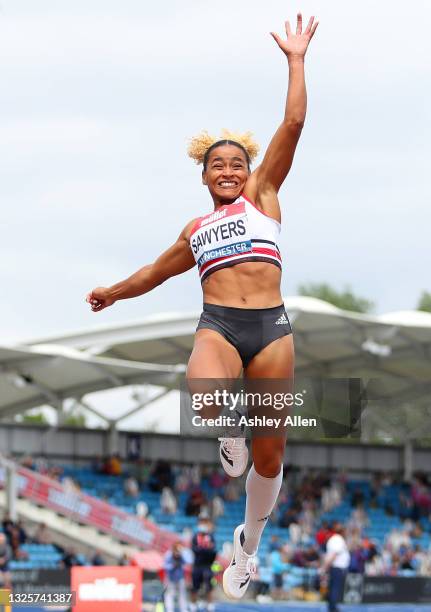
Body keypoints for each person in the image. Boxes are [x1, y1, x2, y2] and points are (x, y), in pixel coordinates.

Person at [86, 12, 318, 600]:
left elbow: (292, 121)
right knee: (204, 389)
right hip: (220, 323)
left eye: (238, 163)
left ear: (249, 173)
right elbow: (154, 273)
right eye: (220, 164)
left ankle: (247, 548)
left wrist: (295, 59)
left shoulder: (265, 197)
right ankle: (227, 434)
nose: (230, 171)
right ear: (205, 174)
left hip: (270, 327)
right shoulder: (196, 229)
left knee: (272, 457)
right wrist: (114, 290)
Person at [321, 522, 350, 612]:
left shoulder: (336, 539)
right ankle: (333, 608)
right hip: (337, 568)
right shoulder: (337, 539)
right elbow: (333, 555)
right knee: (335, 588)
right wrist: (324, 568)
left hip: (336, 568)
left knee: (334, 587)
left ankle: (332, 606)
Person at [190, 514, 217, 611]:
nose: (203, 524)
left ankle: (209, 604)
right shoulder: (195, 537)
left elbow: (213, 551)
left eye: (205, 521)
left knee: (209, 586)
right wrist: (205, 549)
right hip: (197, 566)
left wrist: (202, 550)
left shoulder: (210, 536)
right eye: (201, 521)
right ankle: (193, 604)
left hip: (208, 566)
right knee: (195, 586)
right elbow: (194, 550)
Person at [163, 542, 189, 612]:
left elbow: (187, 562)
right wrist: (173, 565)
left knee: (182, 595)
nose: (178, 552)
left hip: (180, 578)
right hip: (170, 578)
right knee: (169, 595)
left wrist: (181, 556)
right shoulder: (168, 555)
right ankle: (169, 610)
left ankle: (184, 610)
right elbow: (165, 567)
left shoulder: (182, 555)